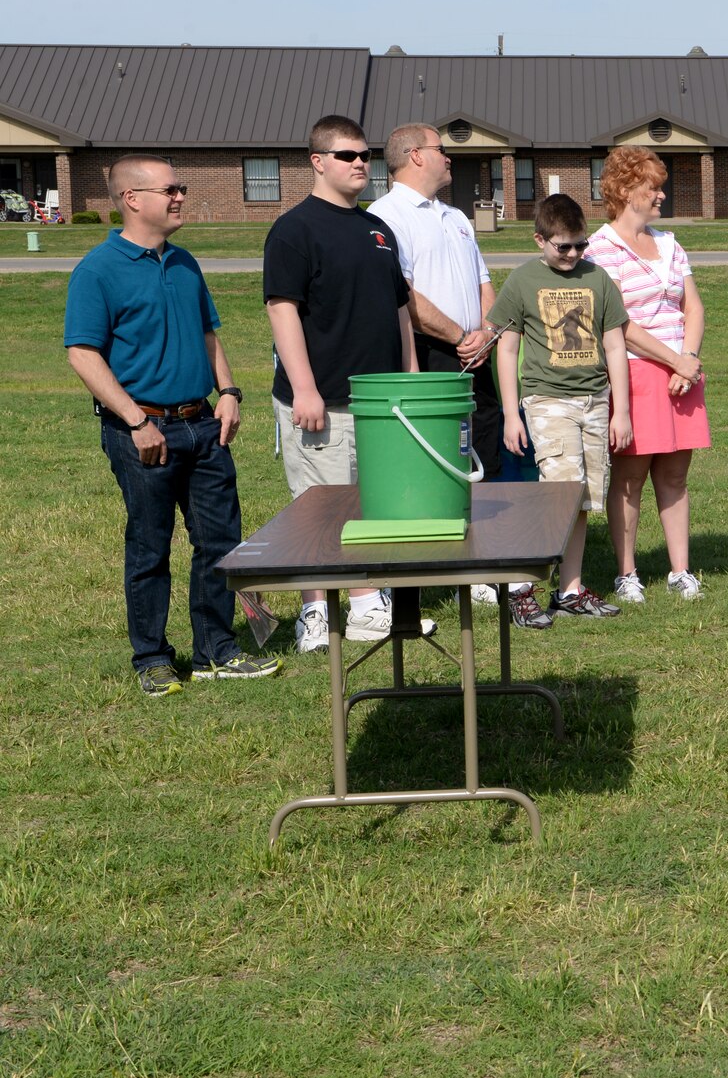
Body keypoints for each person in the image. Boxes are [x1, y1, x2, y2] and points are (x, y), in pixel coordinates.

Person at [64, 155, 280, 695]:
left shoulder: (184, 262)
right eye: (171, 189)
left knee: (220, 542)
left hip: (203, 425)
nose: (180, 196)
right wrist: (137, 420)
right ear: (133, 199)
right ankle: (152, 659)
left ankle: (215, 649)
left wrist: (227, 393)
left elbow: (209, 336)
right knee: (149, 546)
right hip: (142, 431)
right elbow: (83, 355)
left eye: (180, 188)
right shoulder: (98, 269)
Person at [263, 114, 422, 652]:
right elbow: (283, 310)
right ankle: (316, 615)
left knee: (370, 505)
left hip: (381, 401)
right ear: (318, 161)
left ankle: (362, 606)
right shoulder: (295, 229)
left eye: (365, 156)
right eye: (347, 156)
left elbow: (400, 311)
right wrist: (304, 388)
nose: (360, 164)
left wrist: (412, 378)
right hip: (322, 399)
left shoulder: (377, 229)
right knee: (320, 506)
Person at [367, 123, 535, 620]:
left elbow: (485, 281)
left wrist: (485, 331)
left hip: (476, 352)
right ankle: (433, 565)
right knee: (434, 464)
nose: (449, 158)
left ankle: (484, 564)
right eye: (442, 150)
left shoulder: (457, 216)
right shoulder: (384, 217)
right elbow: (405, 296)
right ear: (415, 156)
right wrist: (459, 337)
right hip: (430, 354)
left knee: (482, 456)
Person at [490, 194, 640, 620]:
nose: (573, 254)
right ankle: (522, 588)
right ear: (540, 240)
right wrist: (510, 414)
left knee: (583, 498)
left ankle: (570, 590)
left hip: (595, 402)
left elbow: (615, 345)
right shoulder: (522, 281)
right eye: (563, 246)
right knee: (556, 494)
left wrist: (621, 410)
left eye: (581, 245)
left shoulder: (598, 279)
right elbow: (507, 350)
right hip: (547, 400)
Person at [585, 147, 711, 605]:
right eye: (652, 187)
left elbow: (692, 306)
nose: (661, 194)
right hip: (636, 374)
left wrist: (688, 358)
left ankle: (681, 571)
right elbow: (619, 324)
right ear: (624, 190)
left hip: (683, 373)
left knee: (675, 477)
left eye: (660, 185)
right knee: (630, 478)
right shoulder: (600, 248)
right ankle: (626, 573)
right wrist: (673, 361)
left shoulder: (670, 243)